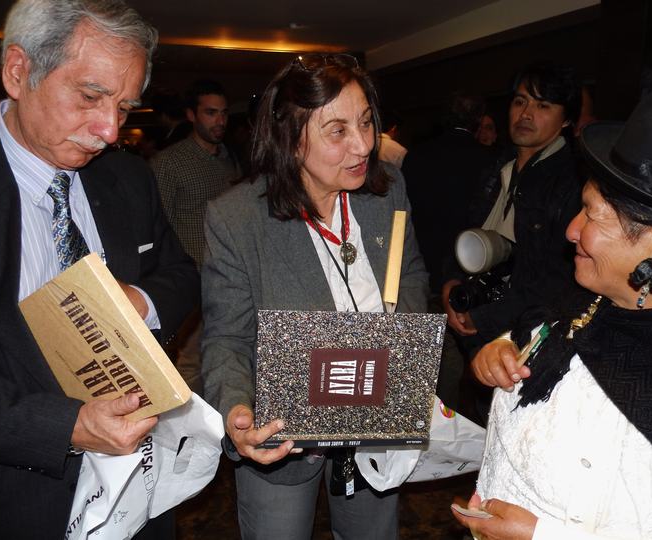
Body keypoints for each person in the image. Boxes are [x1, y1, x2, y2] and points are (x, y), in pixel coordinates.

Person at [0, 1, 199, 538]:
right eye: (89, 96)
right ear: (18, 72)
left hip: (138, 492)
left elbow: (180, 274)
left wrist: (138, 304)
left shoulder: (127, 178)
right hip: (12, 496)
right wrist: (67, 426)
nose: (109, 130)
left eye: (124, 108)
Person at [456, 85, 652, 538]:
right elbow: (532, 336)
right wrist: (498, 350)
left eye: (592, 214)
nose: (571, 230)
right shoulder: (582, 302)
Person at [201, 53, 428, 539]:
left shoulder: (386, 192)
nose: (363, 145)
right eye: (337, 131)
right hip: (283, 435)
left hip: (376, 420)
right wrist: (238, 413)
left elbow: (410, 275)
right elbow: (226, 338)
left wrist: (401, 352)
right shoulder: (237, 218)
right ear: (290, 137)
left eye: (366, 123)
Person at [442, 62, 583, 344]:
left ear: (566, 120)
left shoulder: (572, 181)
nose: (526, 114)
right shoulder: (497, 165)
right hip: (476, 309)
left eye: (543, 106)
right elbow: (468, 227)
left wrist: (487, 318)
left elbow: (559, 280)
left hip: (526, 333)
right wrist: (451, 282)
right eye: (520, 101)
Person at [151, 79, 241, 393]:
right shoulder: (169, 162)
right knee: (189, 361)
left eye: (224, 113)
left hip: (229, 278)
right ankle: (190, 422)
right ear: (191, 115)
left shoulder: (230, 159)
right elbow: (156, 227)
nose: (220, 121)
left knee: (226, 352)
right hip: (192, 280)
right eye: (211, 113)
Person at [403, 93, 497, 294]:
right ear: (478, 120)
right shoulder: (488, 161)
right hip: (467, 267)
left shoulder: (416, 156)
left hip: (421, 265)